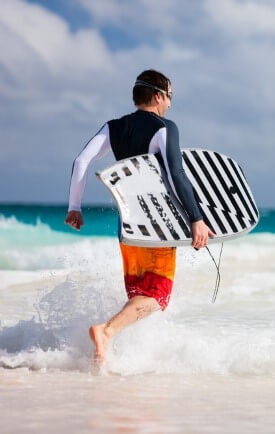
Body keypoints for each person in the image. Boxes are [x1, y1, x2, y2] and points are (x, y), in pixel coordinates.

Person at [65, 69, 215, 366]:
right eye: (170, 96)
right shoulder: (165, 127)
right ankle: (106, 331)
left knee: (138, 293)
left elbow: (81, 161)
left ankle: (106, 353)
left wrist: (75, 207)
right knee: (157, 298)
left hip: (128, 225)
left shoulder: (114, 127)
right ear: (158, 96)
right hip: (159, 226)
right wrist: (196, 218)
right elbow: (177, 174)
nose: (170, 104)